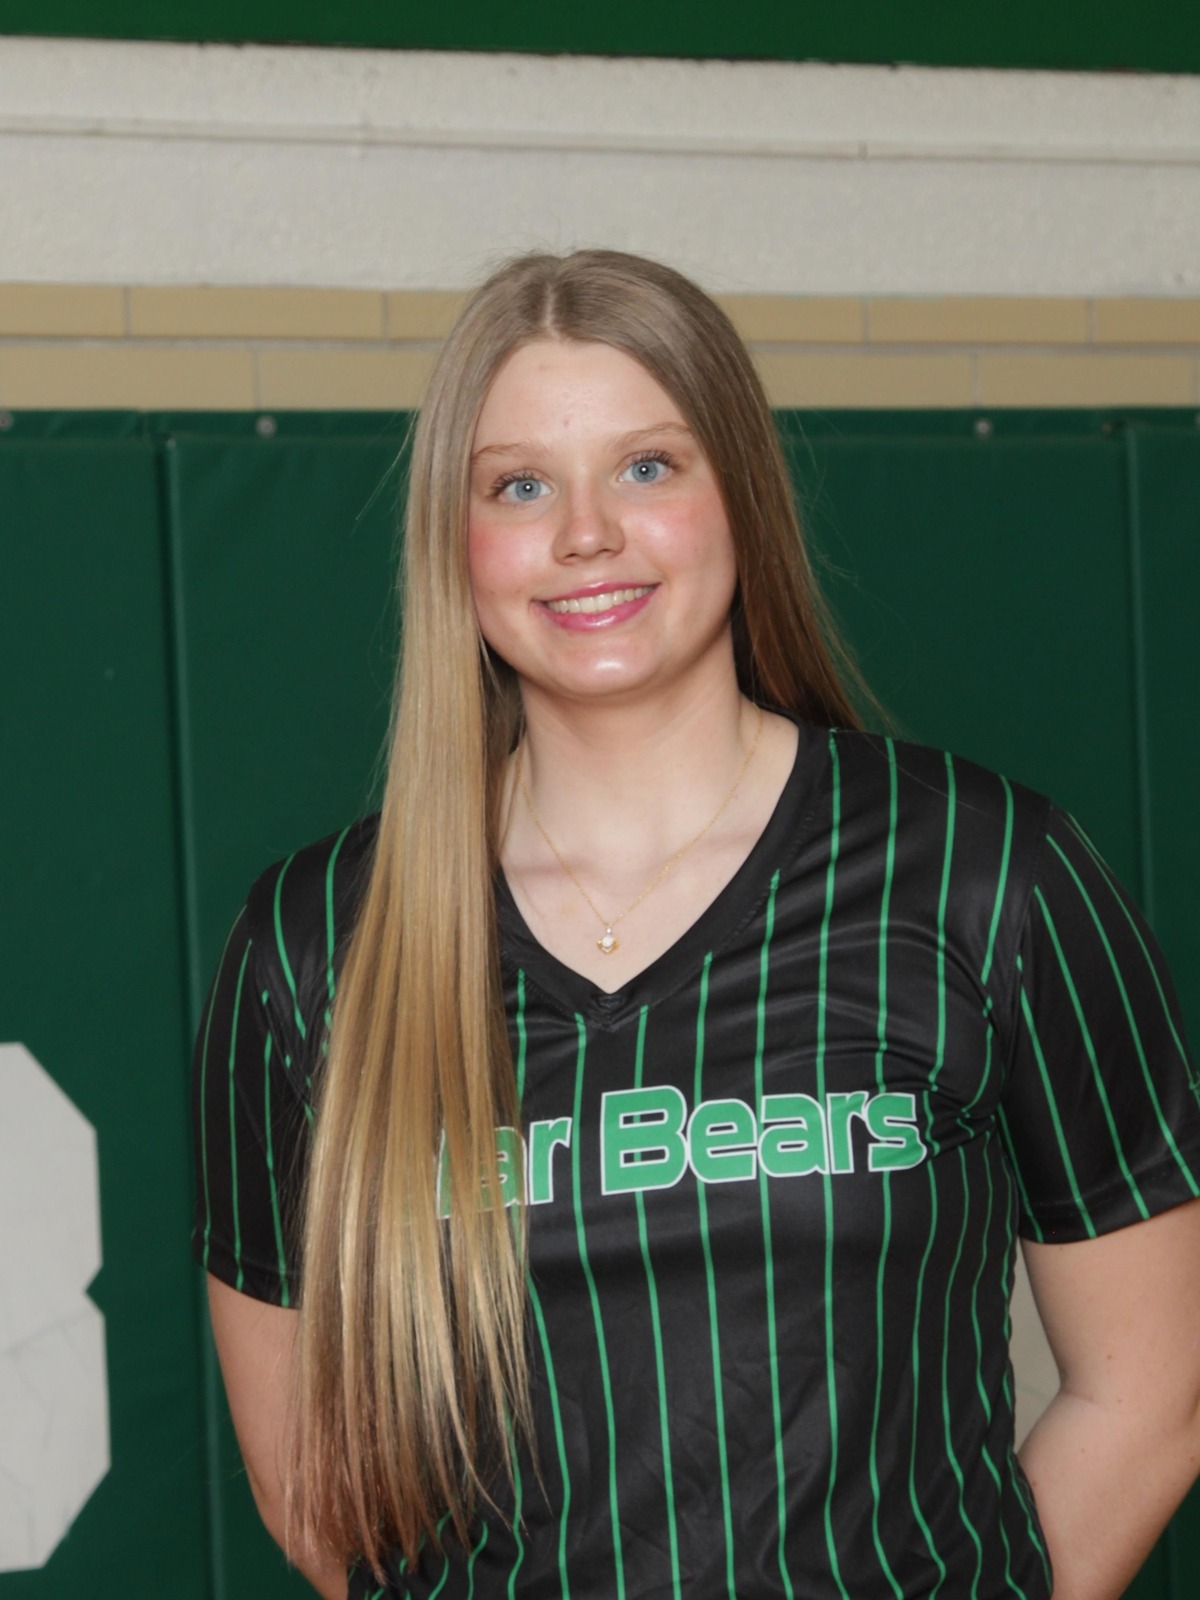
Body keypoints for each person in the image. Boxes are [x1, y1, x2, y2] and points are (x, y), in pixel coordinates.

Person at [192, 249, 1200, 1600]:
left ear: (742, 493)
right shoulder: (314, 942)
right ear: (453, 541)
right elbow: (316, 1492)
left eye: (648, 466)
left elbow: (1154, 1393)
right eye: (520, 485)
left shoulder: (985, 870)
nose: (587, 534)